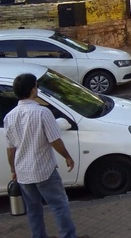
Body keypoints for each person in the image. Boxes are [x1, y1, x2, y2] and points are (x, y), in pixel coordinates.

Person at [5, 73, 78, 238]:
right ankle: (68, 235)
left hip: (23, 173)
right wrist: (67, 156)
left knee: (33, 209)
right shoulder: (42, 112)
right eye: (36, 86)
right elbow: (54, 140)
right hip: (44, 170)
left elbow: (10, 149)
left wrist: (13, 169)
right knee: (59, 205)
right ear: (32, 90)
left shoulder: (9, 117)